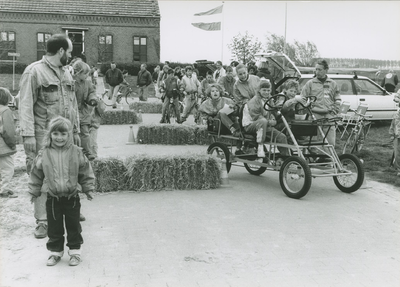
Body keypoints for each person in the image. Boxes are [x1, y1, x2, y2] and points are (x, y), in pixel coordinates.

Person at [18, 33, 80, 239]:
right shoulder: (34, 72)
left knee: (66, 172)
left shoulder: (67, 73)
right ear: (61, 51)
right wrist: (28, 135)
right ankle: (42, 221)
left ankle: (65, 212)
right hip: (42, 135)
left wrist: (76, 131)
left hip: (65, 136)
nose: (71, 56)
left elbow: (73, 105)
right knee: (40, 175)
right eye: (69, 52)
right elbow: (25, 105)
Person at [28, 117, 95, 266]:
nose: (59, 138)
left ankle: (75, 252)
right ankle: (55, 252)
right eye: (56, 133)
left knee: (73, 226)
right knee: (54, 227)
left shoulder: (76, 152)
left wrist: (88, 188)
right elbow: (36, 174)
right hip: (52, 198)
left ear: (69, 135)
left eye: (63, 134)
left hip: (72, 197)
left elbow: (85, 171)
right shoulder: (44, 153)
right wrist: (34, 191)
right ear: (50, 134)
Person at [242, 80, 290, 159]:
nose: (266, 92)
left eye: (268, 90)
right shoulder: (254, 101)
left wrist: (273, 118)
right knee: (263, 121)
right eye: (264, 90)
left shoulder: (269, 99)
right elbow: (256, 116)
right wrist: (269, 122)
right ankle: (260, 145)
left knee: (282, 137)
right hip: (251, 125)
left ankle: (286, 159)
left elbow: (271, 112)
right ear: (259, 90)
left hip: (265, 125)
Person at [300, 59, 341, 151]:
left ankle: (328, 160)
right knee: (313, 141)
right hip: (315, 115)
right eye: (316, 69)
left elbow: (337, 98)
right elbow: (302, 98)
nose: (317, 72)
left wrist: (335, 109)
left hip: (329, 115)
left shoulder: (333, 83)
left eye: (320, 69)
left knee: (330, 141)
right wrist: (308, 107)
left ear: (326, 70)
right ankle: (313, 160)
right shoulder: (310, 83)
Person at [72, 60, 98, 160]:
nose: (87, 75)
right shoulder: (70, 81)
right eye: (85, 73)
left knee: (85, 133)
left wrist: (92, 99)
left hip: (83, 111)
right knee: (72, 133)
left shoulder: (87, 83)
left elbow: (92, 91)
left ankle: (87, 152)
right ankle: (74, 152)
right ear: (78, 73)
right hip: (72, 111)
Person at [0, 87, 18, 198]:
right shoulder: (6, 111)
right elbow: (8, 130)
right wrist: (12, 144)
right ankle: (4, 190)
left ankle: (2, 187)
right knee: (8, 168)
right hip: (3, 145)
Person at [389, 89, 400, 176]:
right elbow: (392, 125)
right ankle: (398, 169)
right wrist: (392, 134)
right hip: (397, 136)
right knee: (397, 154)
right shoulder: (396, 115)